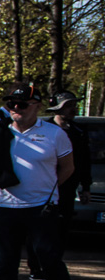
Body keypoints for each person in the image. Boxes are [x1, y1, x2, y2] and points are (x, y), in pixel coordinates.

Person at [0, 82, 80, 280]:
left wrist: (48, 190)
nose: (16, 108)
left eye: (22, 104)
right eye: (11, 104)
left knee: (49, 261)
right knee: (6, 264)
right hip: (6, 206)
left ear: (37, 106)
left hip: (41, 208)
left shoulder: (54, 134)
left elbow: (68, 167)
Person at [49, 91, 93, 244]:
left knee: (62, 229)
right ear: (57, 108)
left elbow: (84, 160)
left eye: (74, 105)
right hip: (45, 187)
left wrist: (86, 187)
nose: (73, 109)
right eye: (68, 106)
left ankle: (55, 257)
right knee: (43, 227)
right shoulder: (45, 129)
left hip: (68, 188)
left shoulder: (79, 131)